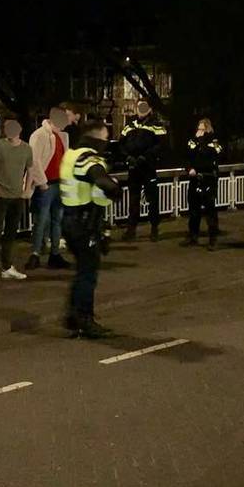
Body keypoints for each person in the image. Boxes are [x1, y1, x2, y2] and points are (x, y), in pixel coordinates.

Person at [59, 120, 122, 338]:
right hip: (83, 223)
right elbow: (100, 179)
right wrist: (115, 189)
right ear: (96, 138)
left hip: (70, 219)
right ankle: (85, 319)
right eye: (105, 139)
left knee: (82, 271)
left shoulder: (70, 155)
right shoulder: (87, 157)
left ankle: (73, 316)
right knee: (88, 273)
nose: (107, 143)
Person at [0, 119, 34, 284]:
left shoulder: (26, 148)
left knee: (11, 234)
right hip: (0, 197)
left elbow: (31, 170)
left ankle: (6, 266)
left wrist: (27, 190)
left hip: (17, 197)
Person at [27, 107, 71, 270]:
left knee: (56, 220)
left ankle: (54, 254)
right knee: (42, 221)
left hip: (58, 182)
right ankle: (36, 253)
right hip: (47, 184)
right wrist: (42, 182)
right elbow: (34, 160)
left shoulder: (62, 136)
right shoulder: (39, 135)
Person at [119, 99, 168, 242]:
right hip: (133, 168)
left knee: (152, 199)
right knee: (133, 200)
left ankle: (154, 229)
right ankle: (131, 230)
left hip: (148, 167)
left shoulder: (156, 125)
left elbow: (161, 145)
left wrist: (145, 157)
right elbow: (120, 144)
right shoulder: (129, 125)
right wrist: (127, 157)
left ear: (149, 109)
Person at [184, 118, 223, 250]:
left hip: (208, 178)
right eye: (198, 129)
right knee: (194, 210)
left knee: (210, 210)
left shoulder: (214, 142)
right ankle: (193, 236)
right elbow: (188, 156)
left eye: (202, 129)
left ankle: (213, 239)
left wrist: (202, 140)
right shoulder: (192, 141)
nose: (199, 132)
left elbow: (212, 155)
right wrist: (189, 169)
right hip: (195, 178)